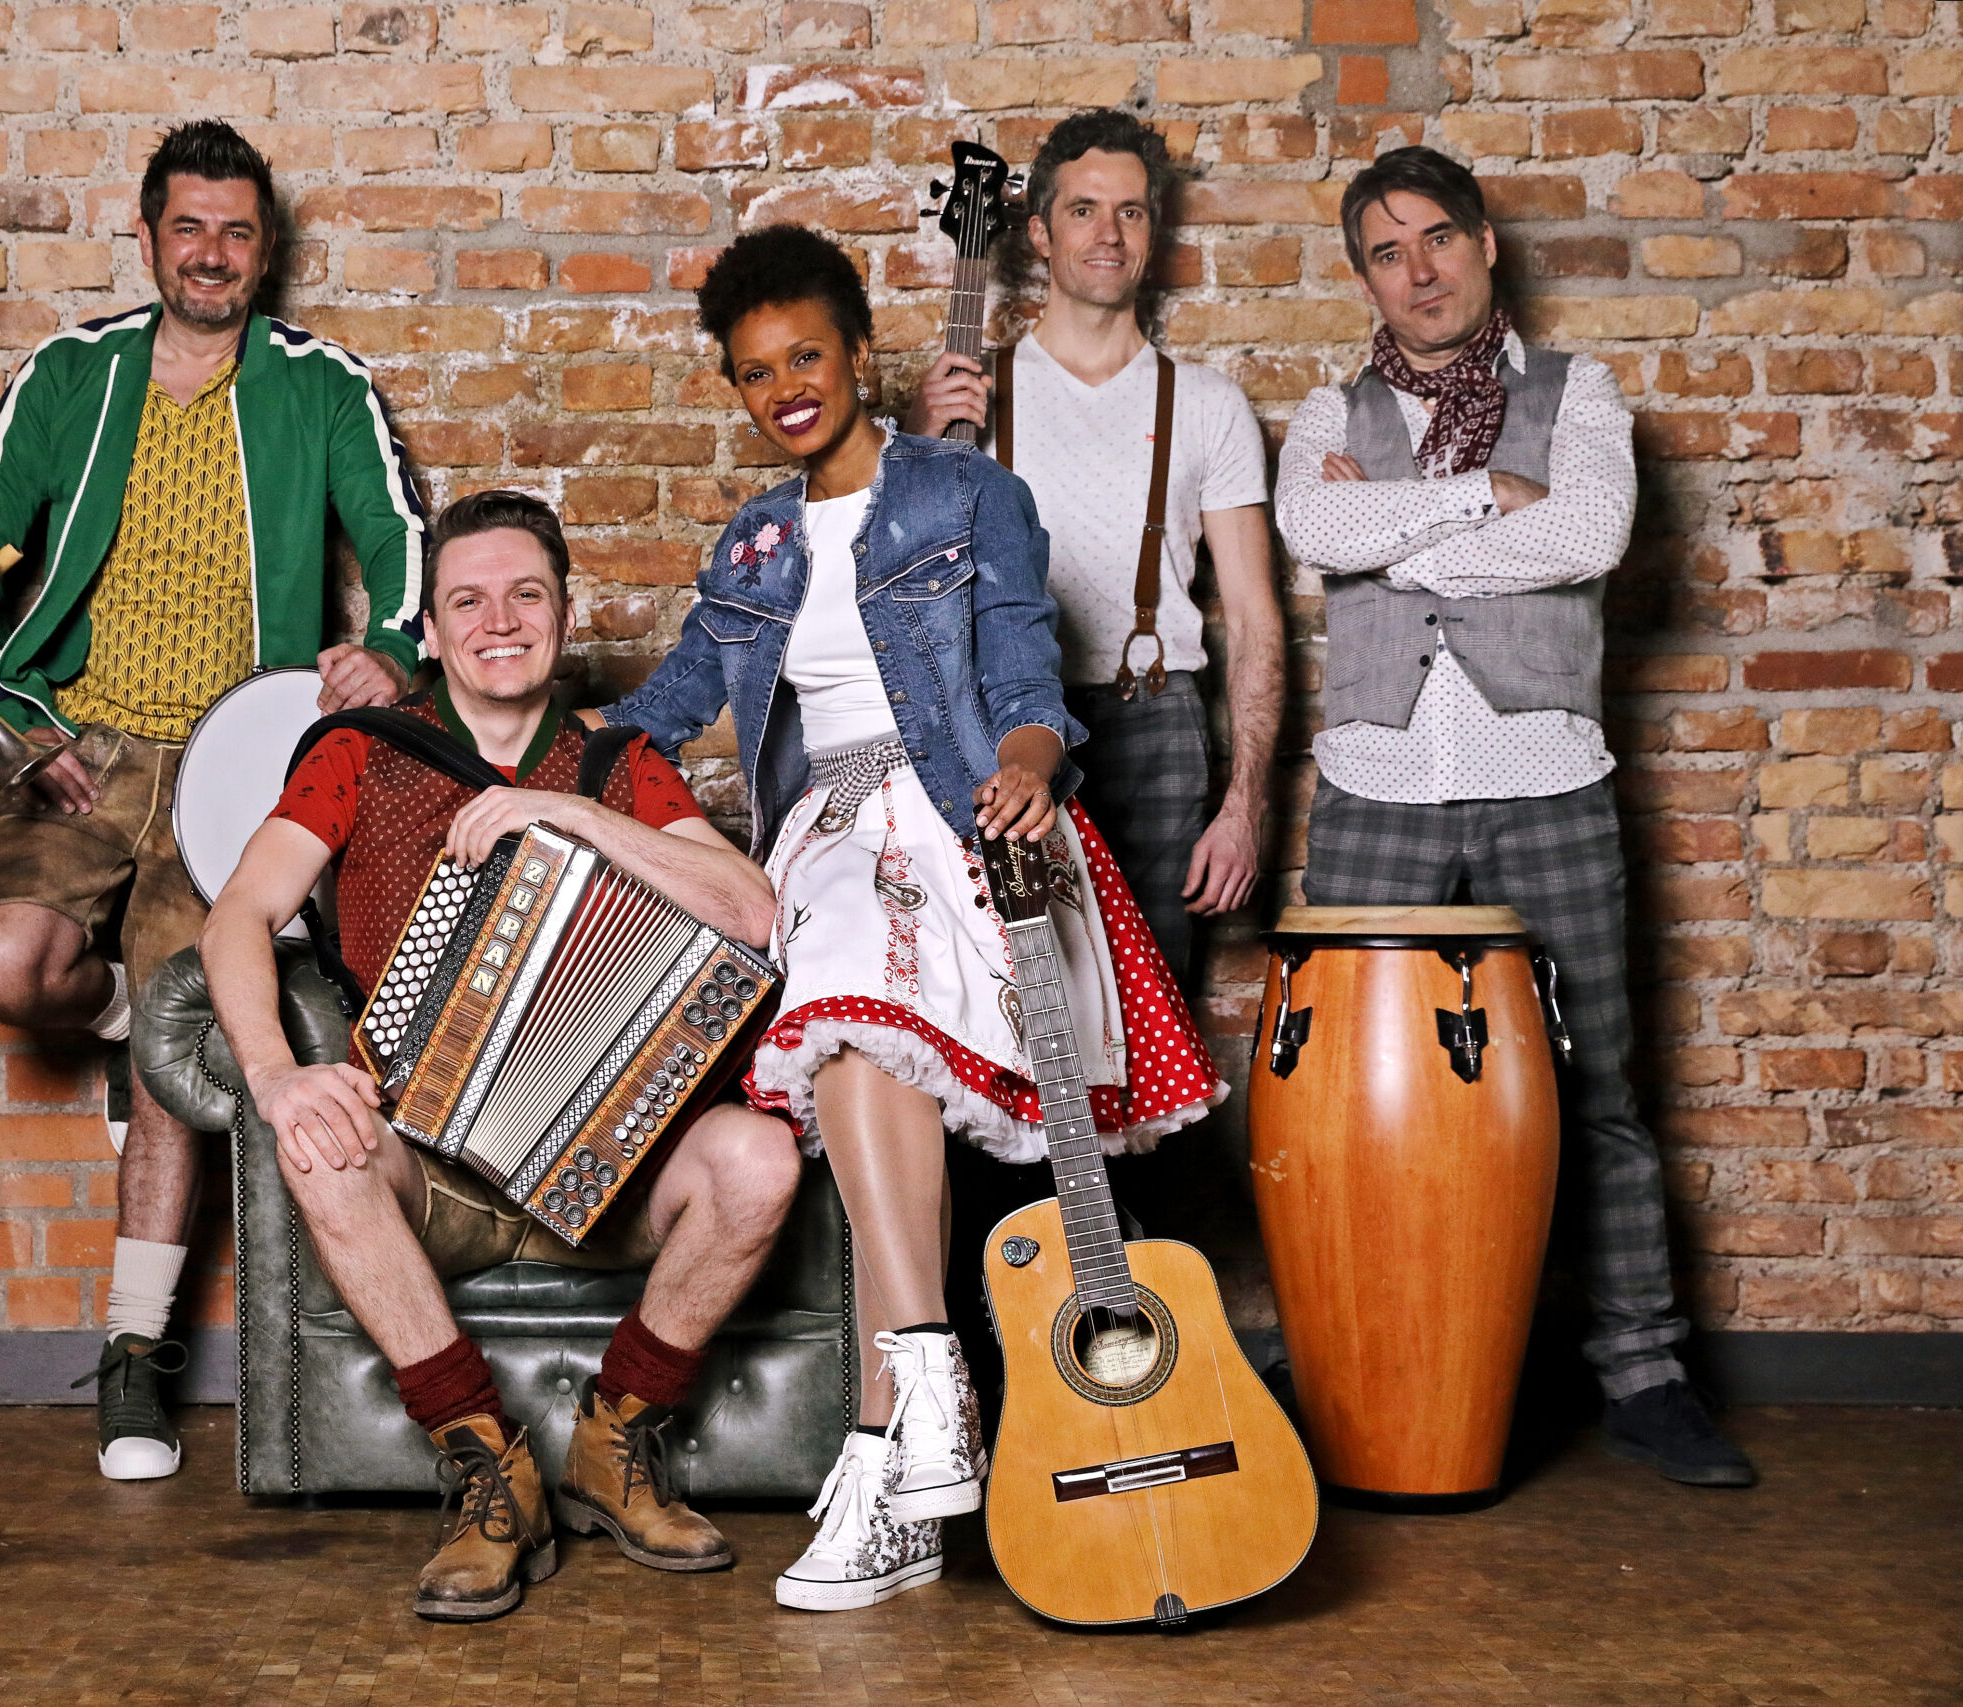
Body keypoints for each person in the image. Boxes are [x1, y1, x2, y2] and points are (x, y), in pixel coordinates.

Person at [603, 226, 1225, 1610]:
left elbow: (1026, 667)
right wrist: (472, 715)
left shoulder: (967, 492)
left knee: (847, 1022)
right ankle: (917, 1418)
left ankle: (899, 1433)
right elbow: (664, 707)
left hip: (969, 818)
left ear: (859, 351)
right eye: (756, 373)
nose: (787, 390)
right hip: (833, 829)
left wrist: (1030, 763)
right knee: (851, 1032)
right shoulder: (755, 542)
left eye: (807, 357)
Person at [199, 491, 803, 1622]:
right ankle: (488, 1464)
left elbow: (752, 910)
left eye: (527, 595)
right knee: (320, 1150)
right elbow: (239, 915)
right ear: (428, 631)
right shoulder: (360, 752)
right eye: (468, 602)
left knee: (761, 1159)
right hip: (431, 1166)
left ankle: (614, 1443)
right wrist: (277, 1076)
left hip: (614, 1164)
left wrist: (567, 816)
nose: (500, 621)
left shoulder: (621, 763)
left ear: (564, 618)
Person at [0, 121, 426, 1483]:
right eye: (190, 229)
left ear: (266, 252)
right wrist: (4, 690)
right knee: (5, 963)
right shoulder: (69, 373)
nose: (212, 254)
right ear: (150, 238)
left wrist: (390, 647)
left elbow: (401, 544)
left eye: (238, 233)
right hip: (82, 747)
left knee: (176, 1068)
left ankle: (135, 1351)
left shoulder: (321, 384)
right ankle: (130, 1022)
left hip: (239, 764)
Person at [1274, 145, 1753, 1488]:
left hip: (1547, 775)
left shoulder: (1576, 391)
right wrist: (1486, 495)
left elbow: (1587, 536)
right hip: (1375, 784)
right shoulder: (1327, 407)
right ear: (1364, 275)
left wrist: (1396, 535)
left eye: (1437, 238)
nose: (1417, 270)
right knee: (1350, 1104)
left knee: (1594, 1090)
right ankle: (1347, 1371)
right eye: (1387, 252)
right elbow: (1316, 532)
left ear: (1484, 245)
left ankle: (1644, 1373)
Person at [904, 108, 1283, 981]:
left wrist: (1246, 807)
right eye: (1083, 210)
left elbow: (1256, 621)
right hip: (1000, 726)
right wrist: (919, 441)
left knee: (1157, 1004)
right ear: (1039, 232)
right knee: (1004, 996)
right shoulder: (967, 396)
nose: (1108, 234)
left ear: (1153, 231)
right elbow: (902, 571)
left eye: (1130, 211)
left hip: (1154, 720)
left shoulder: (1207, 404)